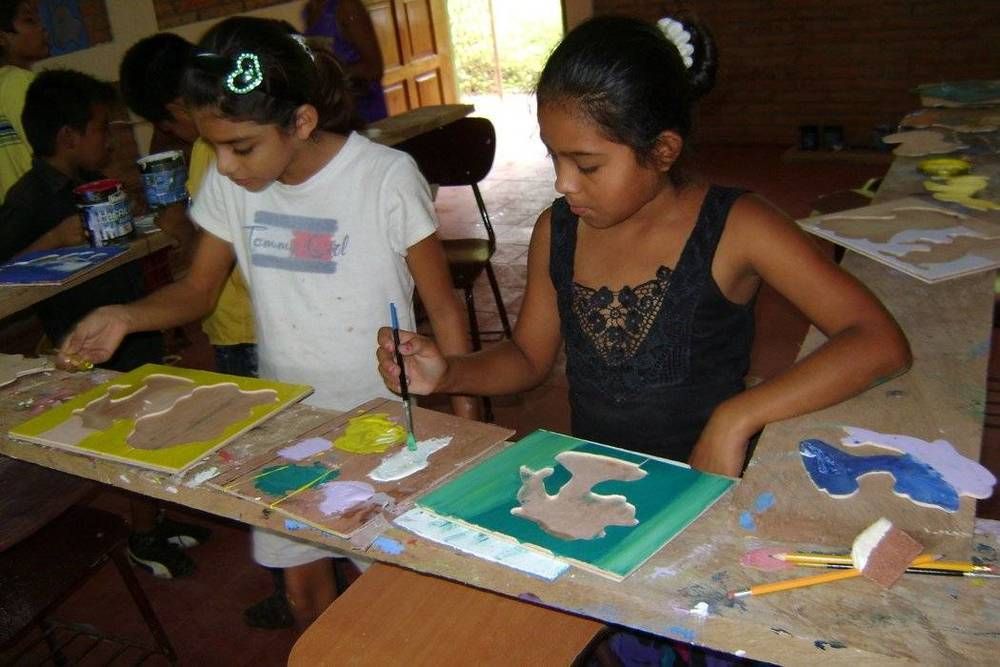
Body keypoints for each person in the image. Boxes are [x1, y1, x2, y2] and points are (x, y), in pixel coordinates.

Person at [57, 16, 475, 629]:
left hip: (385, 422)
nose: (224, 166)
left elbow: (442, 308)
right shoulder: (237, 186)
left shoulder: (383, 177)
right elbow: (199, 290)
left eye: (241, 147)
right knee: (307, 596)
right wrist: (124, 314)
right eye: (213, 147)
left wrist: (463, 422)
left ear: (301, 122)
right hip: (286, 424)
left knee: (396, 599)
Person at [376, 15, 912, 479]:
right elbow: (527, 358)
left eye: (586, 165)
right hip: (599, 482)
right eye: (553, 158)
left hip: (706, 483)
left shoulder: (737, 226)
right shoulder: (557, 231)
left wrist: (737, 417)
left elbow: (877, 341)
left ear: (662, 150)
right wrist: (451, 372)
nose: (564, 183)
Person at [0, 68, 210, 579]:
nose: (112, 138)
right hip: (89, 338)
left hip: (128, 323)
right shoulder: (30, 199)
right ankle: (140, 532)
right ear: (68, 137)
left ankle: (154, 518)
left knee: (157, 421)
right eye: (101, 128)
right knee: (127, 436)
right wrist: (52, 241)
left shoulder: (87, 188)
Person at [119, 33, 257, 378]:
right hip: (239, 324)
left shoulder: (209, 150)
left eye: (168, 126)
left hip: (244, 326)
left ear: (178, 108)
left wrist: (180, 227)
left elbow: (213, 259)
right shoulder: (229, 142)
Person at [303, 0, 388, 123]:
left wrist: (331, 73)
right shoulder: (309, 10)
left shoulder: (347, 6)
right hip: (335, 112)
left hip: (362, 109)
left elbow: (374, 68)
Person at [0, 0, 47, 201]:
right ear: (2, 37)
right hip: (42, 219)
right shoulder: (19, 82)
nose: (42, 28)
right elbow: (55, 158)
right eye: (29, 21)